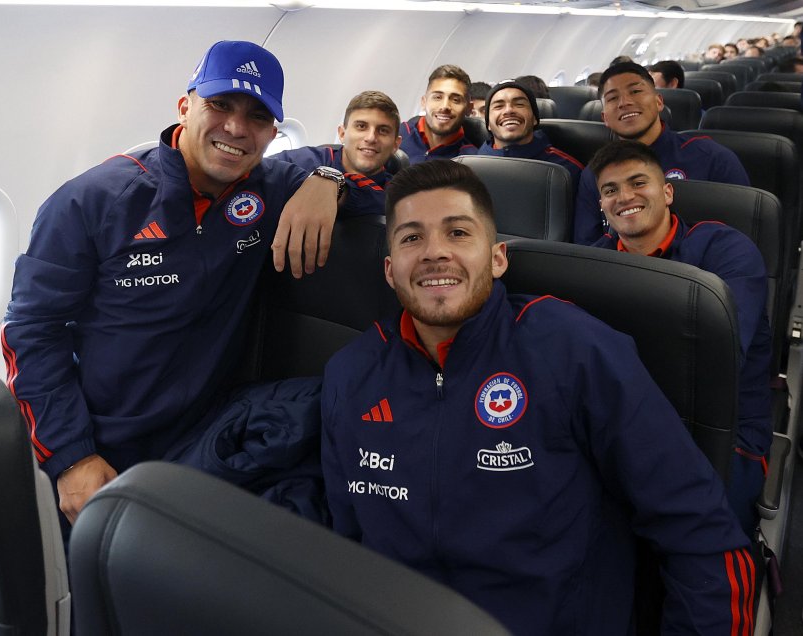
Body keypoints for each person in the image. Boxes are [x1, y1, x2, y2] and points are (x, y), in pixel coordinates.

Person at [320, 159, 755, 635]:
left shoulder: (572, 349)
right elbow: (348, 546)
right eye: (411, 238)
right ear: (389, 270)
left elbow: (698, 529)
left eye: (459, 233)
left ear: (498, 258)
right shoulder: (351, 376)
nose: (434, 253)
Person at [3, 40, 347, 527]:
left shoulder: (270, 188)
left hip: (204, 436)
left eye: (256, 116)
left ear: (273, 132)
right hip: (102, 445)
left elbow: (389, 180)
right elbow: (31, 329)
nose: (235, 128)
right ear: (184, 108)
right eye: (220, 105)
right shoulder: (95, 201)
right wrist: (70, 457)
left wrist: (329, 179)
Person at [589, 140, 772, 538]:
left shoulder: (725, 250)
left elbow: (721, 361)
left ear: (668, 192)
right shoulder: (592, 264)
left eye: (639, 183)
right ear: (601, 206)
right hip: (621, 424)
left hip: (719, 428)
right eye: (610, 190)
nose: (625, 197)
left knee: (698, 536)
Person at [572, 62, 749, 244]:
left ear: (658, 102)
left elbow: (742, 238)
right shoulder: (593, 174)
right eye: (612, 98)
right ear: (605, 118)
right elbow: (588, 248)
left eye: (635, 91)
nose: (624, 103)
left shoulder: (712, 158)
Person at [271, 90, 402, 217]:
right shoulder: (304, 161)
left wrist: (338, 191)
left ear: (395, 144)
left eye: (383, 131)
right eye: (361, 126)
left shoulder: (399, 196)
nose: (371, 138)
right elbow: (262, 171)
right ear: (342, 134)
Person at [476, 80, 583, 186]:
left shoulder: (565, 169)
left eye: (519, 104)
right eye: (498, 106)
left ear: (534, 119)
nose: (508, 111)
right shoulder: (473, 165)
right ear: (488, 124)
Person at [399, 65, 478, 164]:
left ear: (469, 109)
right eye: (437, 97)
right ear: (424, 102)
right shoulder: (398, 136)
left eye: (455, 100)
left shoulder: (471, 160)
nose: (445, 106)